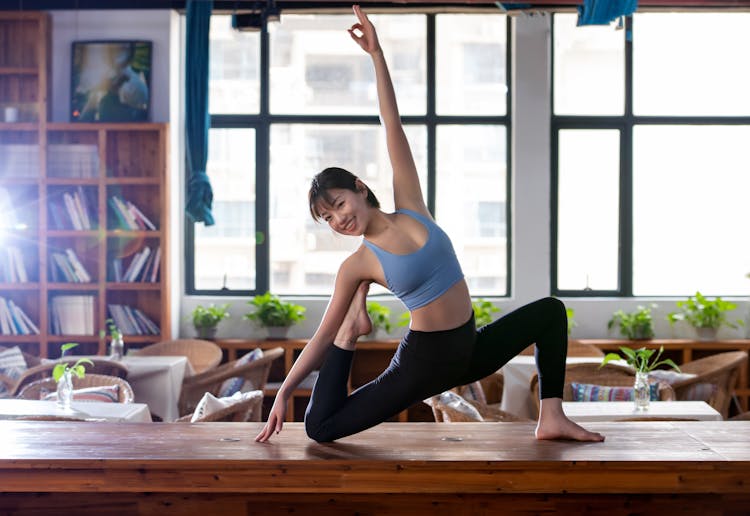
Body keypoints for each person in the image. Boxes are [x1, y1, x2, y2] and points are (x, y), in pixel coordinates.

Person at [255, 5, 604, 444]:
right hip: (425, 361)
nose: (339, 219)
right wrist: (284, 391)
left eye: (339, 204)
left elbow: (391, 123)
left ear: (360, 188)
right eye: (327, 218)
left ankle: (551, 417)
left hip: (469, 346)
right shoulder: (358, 265)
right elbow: (318, 337)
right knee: (321, 427)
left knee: (550, 313)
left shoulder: (412, 206)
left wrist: (377, 54)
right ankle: (354, 330)